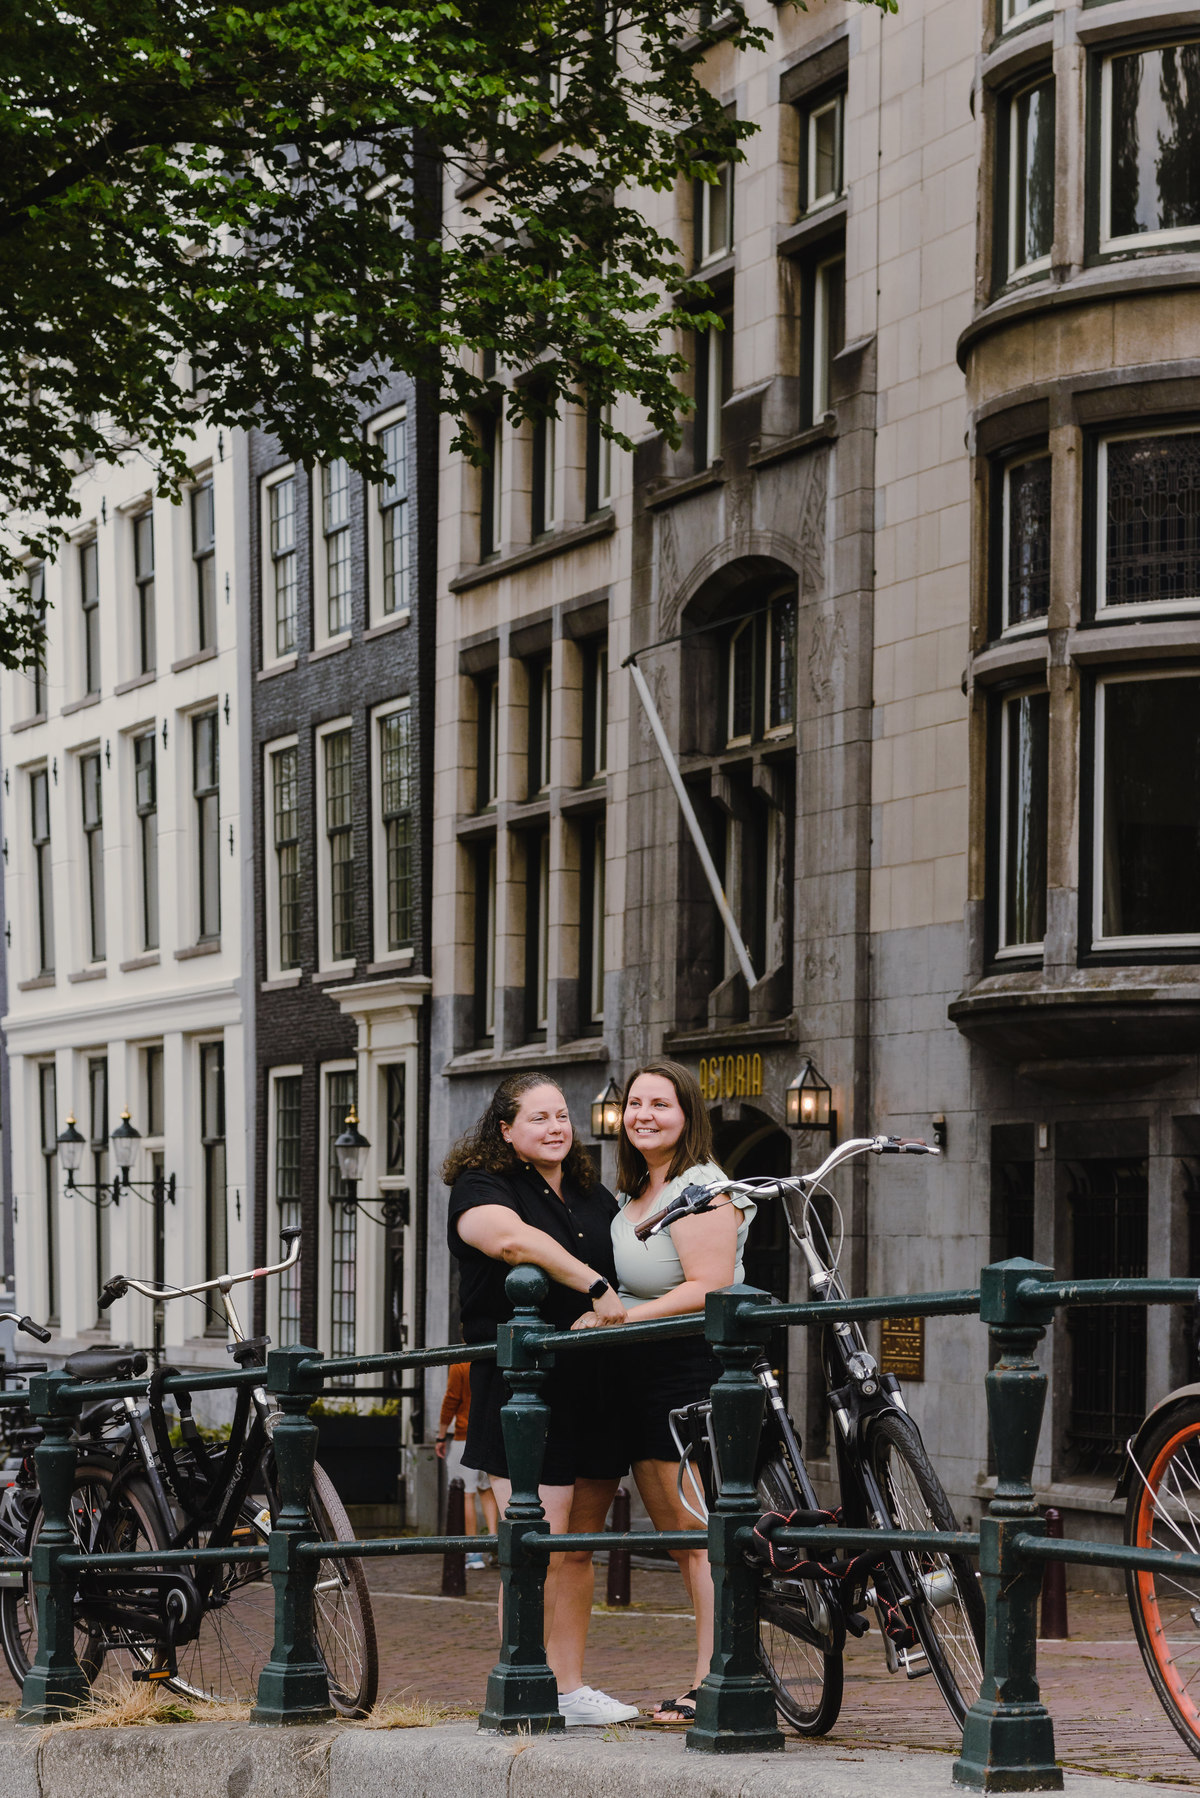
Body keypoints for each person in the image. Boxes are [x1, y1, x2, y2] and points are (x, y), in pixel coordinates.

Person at [445, 1071, 638, 1727]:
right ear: (505, 1130)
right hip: (525, 1386)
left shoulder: (590, 1192)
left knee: (578, 1547)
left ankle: (571, 1687)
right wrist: (594, 1288)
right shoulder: (482, 1186)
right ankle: (524, 1681)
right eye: (539, 1118)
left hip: (595, 1382)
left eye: (562, 1115)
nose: (557, 1128)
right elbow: (508, 1240)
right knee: (536, 1542)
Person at [573, 1059, 755, 1725]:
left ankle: (719, 1680)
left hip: (686, 1365)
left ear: (688, 1115)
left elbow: (709, 1284)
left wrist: (619, 1317)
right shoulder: (636, 1191)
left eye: (661, 1104)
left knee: (700, 1536)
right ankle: (710, 1672)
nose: (644, 1115)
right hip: (640, 1369)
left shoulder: (701, 1188)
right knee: (681, 1538)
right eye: (636, 1104)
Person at [436, 1359, 497, 1569]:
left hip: (465, 1435)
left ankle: (473, 1552)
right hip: (491, 1436)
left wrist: (441, 1435)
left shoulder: (461, 1364)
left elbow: (451, 1400)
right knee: (488, 1491)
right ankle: (495, 1543)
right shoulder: (494, 1359)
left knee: (465, 1494)